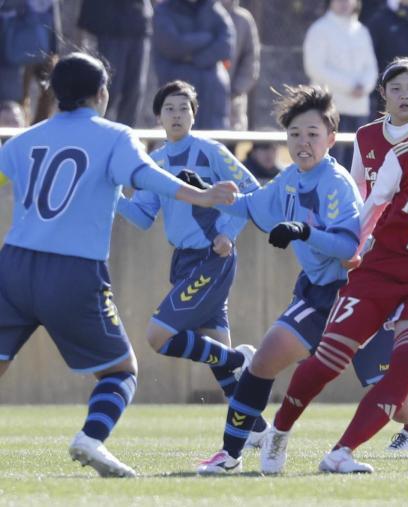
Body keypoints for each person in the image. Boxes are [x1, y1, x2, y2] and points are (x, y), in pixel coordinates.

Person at [0, 53, 235, 478]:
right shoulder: (115, 136)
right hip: (73, 272)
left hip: (12, 268)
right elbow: (148, 176)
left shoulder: (23, 139)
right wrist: (202, 196)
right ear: (102, 93)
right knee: (121, 372)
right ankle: (91, 438)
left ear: (55, 94)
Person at [266, 77, 408, 474]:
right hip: (380, 272)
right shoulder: (407, 157)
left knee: (404, 368)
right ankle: (278, 432)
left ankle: (342, 452)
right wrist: (352, 253)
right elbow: (372, 209)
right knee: (327, 361)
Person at [195, 84, 362, 475]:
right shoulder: (290, 179)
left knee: (404, 399)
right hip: (316, 294)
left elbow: (347, 248)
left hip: (350, 294)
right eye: (295, 134)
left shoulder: (335, 184)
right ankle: (231, 455)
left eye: (312, 134)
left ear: (331, 139)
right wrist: (205, 192)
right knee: (263, 362)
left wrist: (304, 233)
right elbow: (253, 205)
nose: (303, 143)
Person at [116, 81, 261, 406]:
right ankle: (255, 428)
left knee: (158, 336)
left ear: (194, 115)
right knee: (218, 356)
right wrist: (113, 196)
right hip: (183, 260)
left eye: (184, 108)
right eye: (169, 108)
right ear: (158, 117)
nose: (177, 114)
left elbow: (251, 189)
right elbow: (142, 217)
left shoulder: (211, 151)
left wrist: (228, 231)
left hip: (214, 256)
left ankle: (240, 360)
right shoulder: (153, 161)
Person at [350, 56, 408, 452]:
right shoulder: (366, 136)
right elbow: (358, 191)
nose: (405, 96)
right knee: (376, 341)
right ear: (383, 94)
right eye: (397, 89)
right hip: (373, 254)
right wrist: (354, 243)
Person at [303, 0, 378, 170]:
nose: (344, 3)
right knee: (331, 167)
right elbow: (315, 67)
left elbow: (371, 68)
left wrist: (364, 86)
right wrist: (350, 86)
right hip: (329, 110)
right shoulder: (320, 29)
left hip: (359, 110)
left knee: (356, 168)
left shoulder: (362, 31)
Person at [152, 0, 235, 130]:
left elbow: (226, 46)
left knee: (212, 142)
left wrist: (195, 58)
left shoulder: (215, 10)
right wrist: (206, 37)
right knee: (179, 141)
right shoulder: (164, 11)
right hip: (177, 90)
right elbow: (172, 45)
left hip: (212, 92)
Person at [78, 0, 153, 127]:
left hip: (138, 25)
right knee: (108, 89)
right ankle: (98, 132)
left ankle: (126, 136)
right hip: (110, 27)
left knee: (134, 90)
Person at [219, 0, 260, 131]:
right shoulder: (201, 15)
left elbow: (251, 59)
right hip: (202, 96)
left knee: (230, 146)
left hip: (233, 101)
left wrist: (236, 90)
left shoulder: (243, 20)